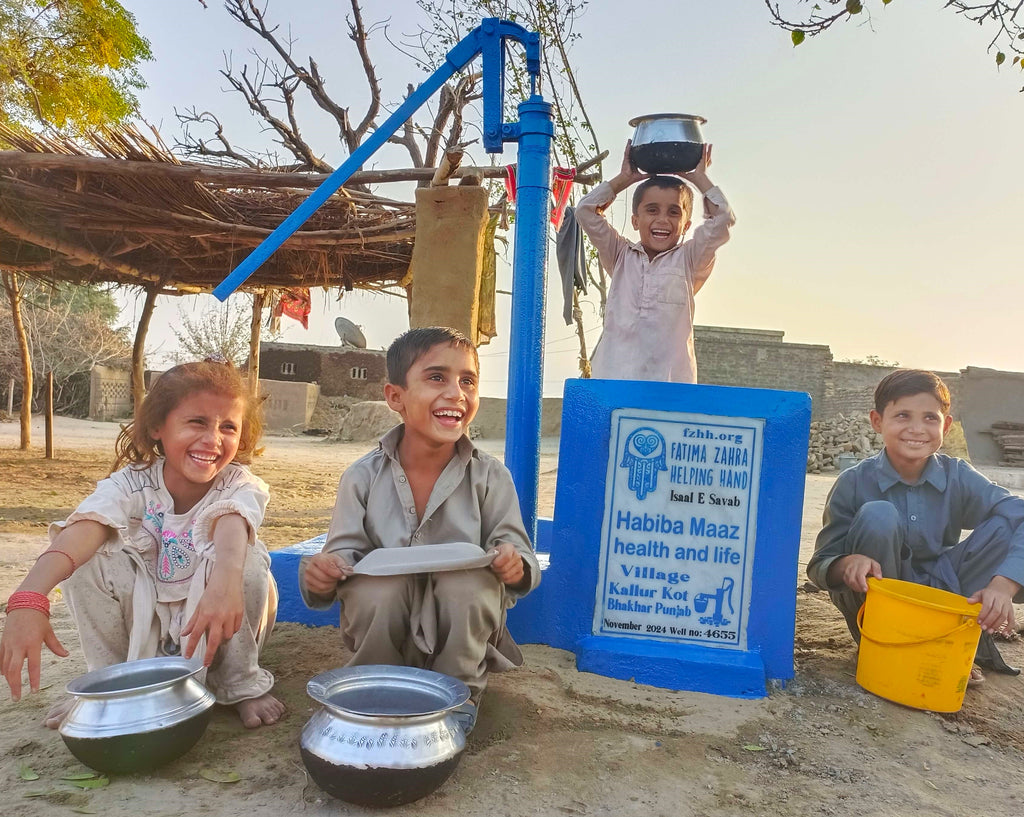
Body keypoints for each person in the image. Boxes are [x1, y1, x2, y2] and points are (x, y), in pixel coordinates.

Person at [0, 359, 285, 728]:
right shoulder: (131, 484)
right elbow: (85, 528)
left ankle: (240, 683)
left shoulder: (239, 484)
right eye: (197, 422)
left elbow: (232, 521)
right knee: (89, 560)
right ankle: (112, 685)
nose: (213, 439)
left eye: (228, 427)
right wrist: (29, 597)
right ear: (156, 427)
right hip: (150, 632)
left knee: (245, 559)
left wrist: (226, 579)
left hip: (222, 622)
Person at [299, 327, 539, 714]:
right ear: (396, 397)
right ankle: (375, 691)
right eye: (436, 378)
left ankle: (456, 701)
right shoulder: (361, 477)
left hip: (461, 634)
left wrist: (513, 564)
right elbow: (343, 551)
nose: (456, 393)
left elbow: (517, 549)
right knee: (375, 588)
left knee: (470, 586)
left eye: (468, 381)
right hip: (385, 628)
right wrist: (325, 573)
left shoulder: (492, 477)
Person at [807, 369, 1024, 681]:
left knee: (1007, 523)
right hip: (877, 605)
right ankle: (892, 646)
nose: (916, 429)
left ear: (946, 426)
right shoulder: (853, 482)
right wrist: (846, 564)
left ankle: (946, 638)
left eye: (930, 418)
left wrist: (1004, 584)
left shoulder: (958, 476)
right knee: (878, 514)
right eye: (903, 415)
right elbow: (819, 566)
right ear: (877, 421)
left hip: (941, 593)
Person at [576, 140, 736, 382]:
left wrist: (699, 178)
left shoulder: (689, 260)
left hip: (670, 387)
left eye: (674, 212)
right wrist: (625, 178)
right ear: (635, 220)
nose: (662, 219)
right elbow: (585, 211)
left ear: (687, 225)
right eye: (652, 210)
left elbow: (723, 218)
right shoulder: (620, 255)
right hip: (613, 381)